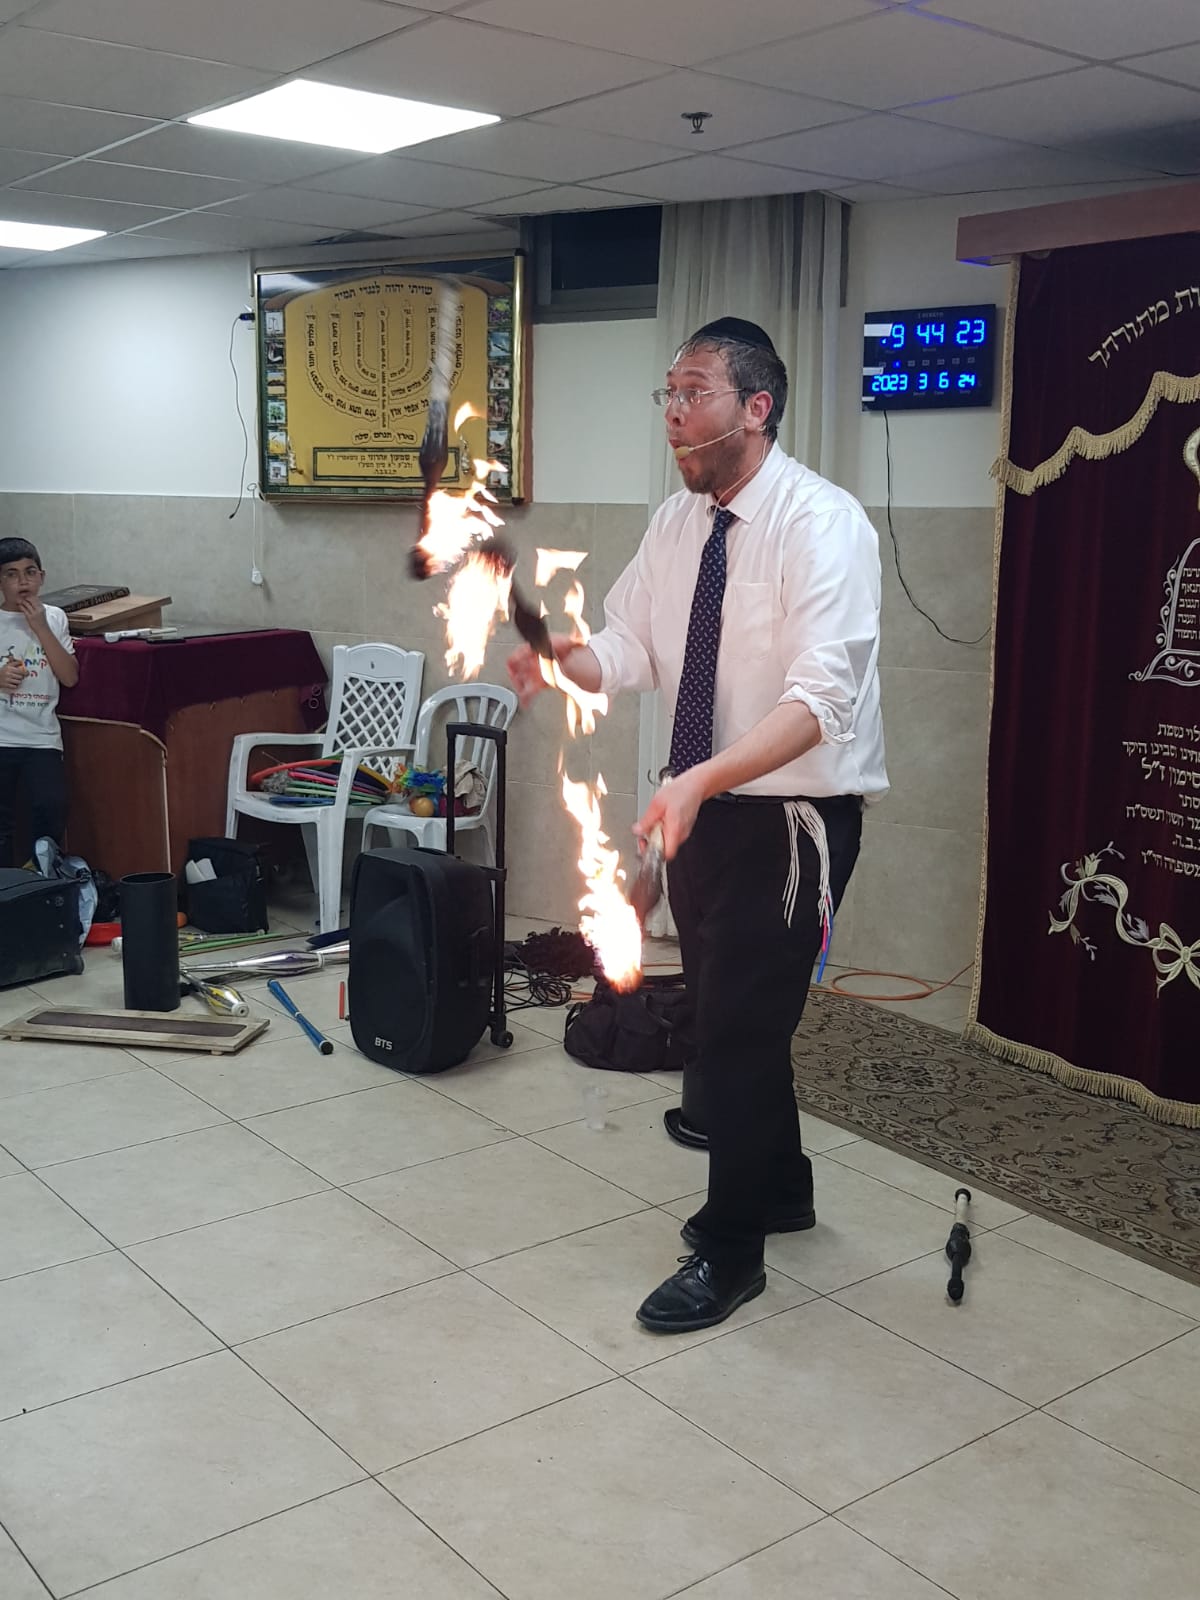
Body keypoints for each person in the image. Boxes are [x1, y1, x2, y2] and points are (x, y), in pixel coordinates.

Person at [508, 317, 887, 1334]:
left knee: (733, 1033)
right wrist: (563, 659)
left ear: (756, 408)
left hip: (793, 820)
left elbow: (822, 702)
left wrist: (700, 780)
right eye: (667, 396)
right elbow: (628, 645)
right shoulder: (680, 524)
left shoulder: (823, 523)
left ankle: (730, 1251)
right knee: (734, 1012)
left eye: (695, 393)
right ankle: (786, 1187)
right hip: (705, 812)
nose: (674, 415)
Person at [0, 538, 79, 868]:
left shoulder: (55, 617)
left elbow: (69, 677)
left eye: (30, 572)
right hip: (2, 737)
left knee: (50, 809)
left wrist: (40, 627)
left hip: (42, 738)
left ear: (42, 577)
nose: (23, 581)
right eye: (12, 574)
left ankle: (42, 884)